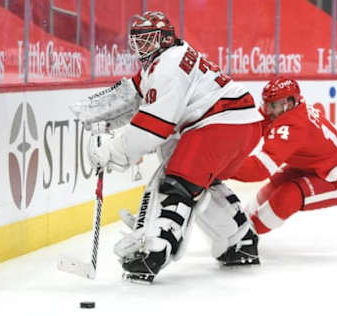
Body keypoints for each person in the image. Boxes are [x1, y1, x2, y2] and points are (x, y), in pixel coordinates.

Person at [73, 11, 263, 283]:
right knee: (194, 183)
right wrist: (88, 111)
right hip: (239, 124)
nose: (142, 48)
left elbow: (153, 127)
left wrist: (113, 152)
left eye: (148, 40)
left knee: (177, 184)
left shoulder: (170, 68)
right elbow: (132, 94)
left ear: (165, 39)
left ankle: (152, 250)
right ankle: (238, 239)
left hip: (222, 125)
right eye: (137, 41)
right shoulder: (166, 59)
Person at [232, 77, 337, 237]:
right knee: (275, 183)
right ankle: (242, 222)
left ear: (289, 103)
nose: (267, 110)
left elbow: (260, 169)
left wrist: (222, 168)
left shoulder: (294, 126)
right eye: (266, 103)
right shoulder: (286, 110)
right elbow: (253, 128)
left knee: (289, 195)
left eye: (273, 105)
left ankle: (244, 237)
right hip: (317, 164)